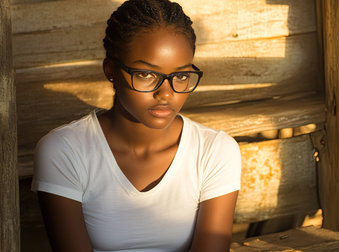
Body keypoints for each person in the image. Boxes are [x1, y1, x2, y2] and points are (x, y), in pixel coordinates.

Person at [31, 0, 241, 251]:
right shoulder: (65, 150)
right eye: (146, 74)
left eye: (181, 75)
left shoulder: (214, 151)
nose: (166, 93)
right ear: (111, 70)